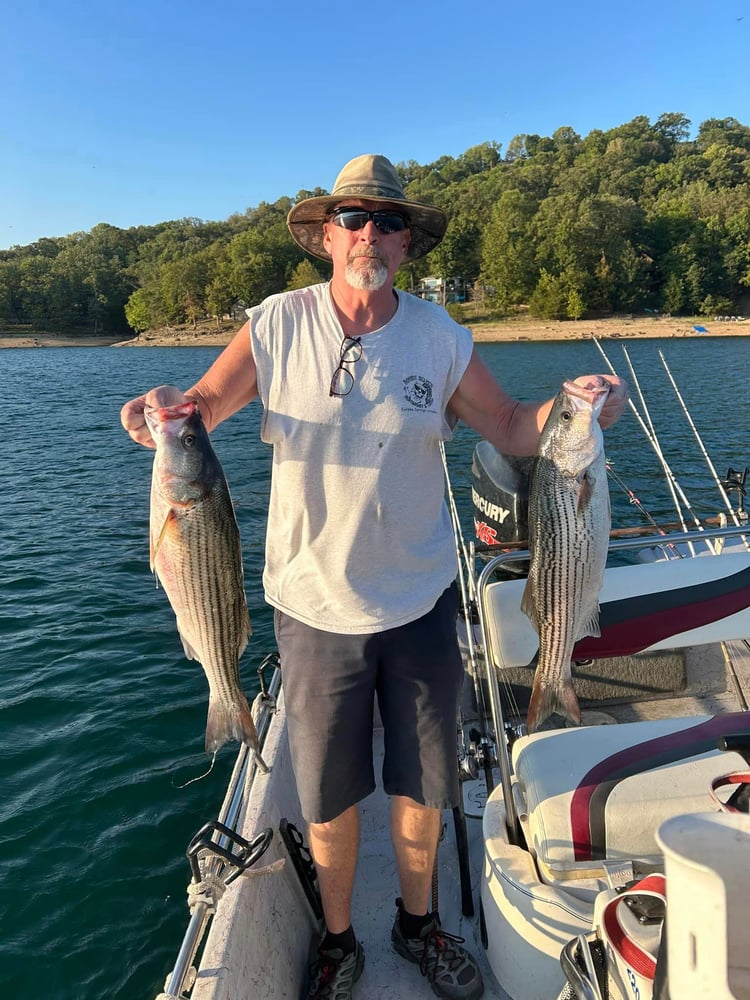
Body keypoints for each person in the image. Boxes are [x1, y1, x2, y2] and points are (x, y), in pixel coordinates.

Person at [121, 154, 628, 1000]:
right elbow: (203, 404)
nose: (371, 234)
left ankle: (419, 925)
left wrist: (577, 406)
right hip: (313, 608)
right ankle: (339, 938)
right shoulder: (278, 323)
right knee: (327, 800)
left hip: (422, 602)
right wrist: (161, 411)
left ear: (406, 242)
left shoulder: (439, 336)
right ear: (326, 235)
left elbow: (508, 425)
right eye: (354, 219)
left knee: (425, 789)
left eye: (388, 222)